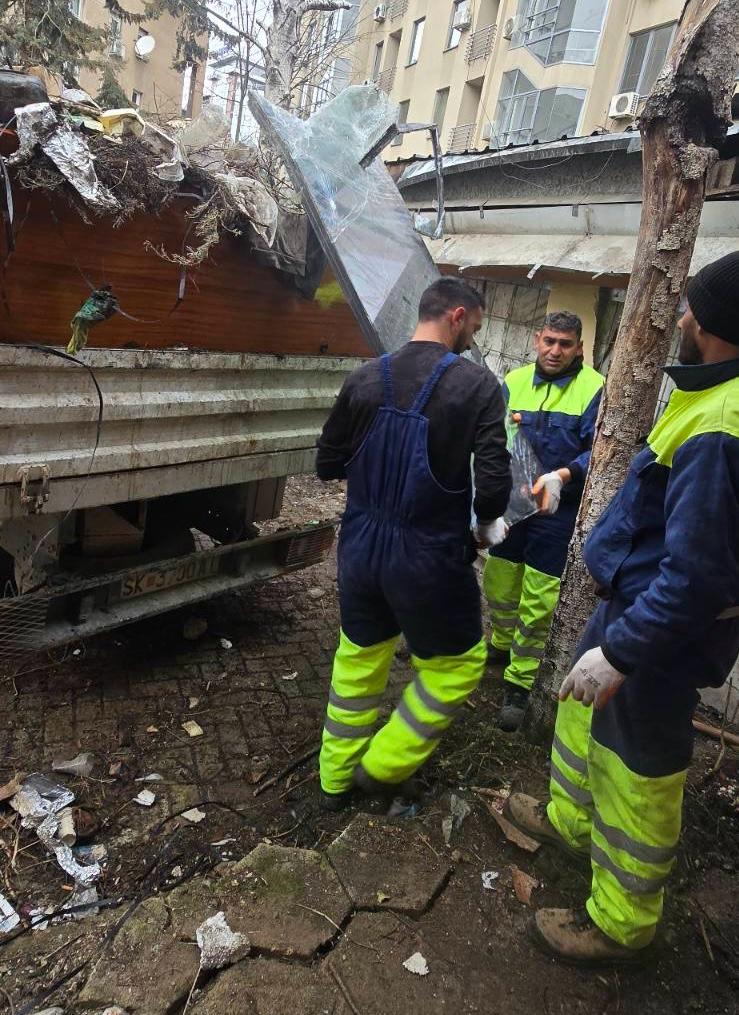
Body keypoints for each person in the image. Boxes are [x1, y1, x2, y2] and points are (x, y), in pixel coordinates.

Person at [504, 251, 739, 964]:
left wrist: (625, 651)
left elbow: (696, 574)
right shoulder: (708, 394)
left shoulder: (721, 424)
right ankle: (570, 822)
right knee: (583, 726)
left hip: (659, 631)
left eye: (690, 306)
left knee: (638, 766)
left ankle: (620, 922)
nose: (680, 316)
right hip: (632, 609)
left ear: (712, 325)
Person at [315, 277, 512, 811]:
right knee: (457, 665)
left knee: (358, 659)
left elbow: (327, 463)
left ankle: (333, 781)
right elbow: (493, 481)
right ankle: (382, 768)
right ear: (456, 316)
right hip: (427, 555)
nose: (474, 336)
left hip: (359, 548)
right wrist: (486, 525)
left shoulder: (363, 378)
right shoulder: (477, 386)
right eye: (475, 325)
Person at [482, 312, 604, 731]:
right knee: (499, 582)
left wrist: (564, 475)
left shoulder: (595, 388)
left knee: (539, 599)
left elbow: (600, 448)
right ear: (537, 339)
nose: (555, 351)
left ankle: (519, 682)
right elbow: (493, 438)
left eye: (565, 344)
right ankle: (500, 645)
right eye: (549, 341)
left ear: (579, 347)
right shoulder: (514, 382)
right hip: (513, 504)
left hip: (557, 512)